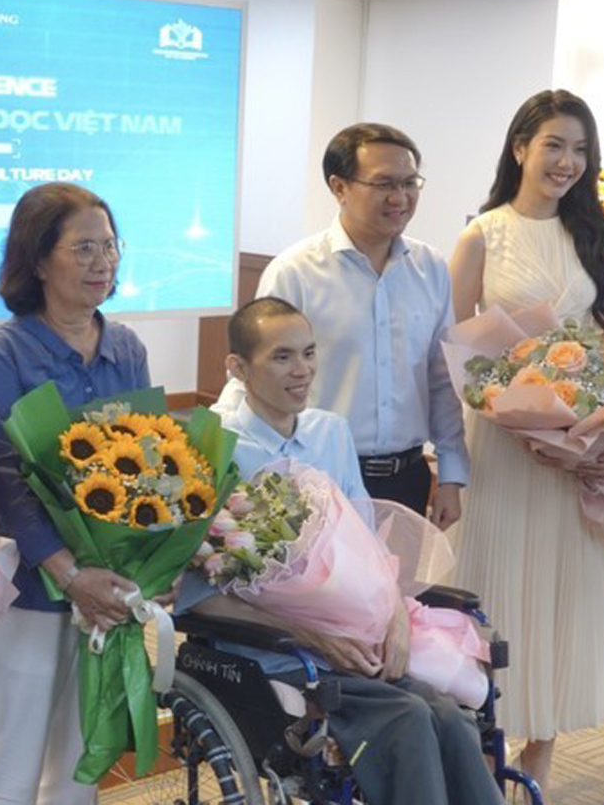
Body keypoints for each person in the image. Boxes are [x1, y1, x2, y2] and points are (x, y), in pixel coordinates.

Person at [178, 296, 504, 805]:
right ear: (237, 367)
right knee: (411, 716)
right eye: (282, 357)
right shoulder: (212, 449)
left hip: (355, 641)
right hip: (273, 650)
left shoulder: (331, 431)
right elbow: (194, 598)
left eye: (309, 353)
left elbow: (370, 551)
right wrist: (312, 635)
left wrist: (396, 617)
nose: (302, 370)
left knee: (449, 715)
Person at [447, 88, 604, 793]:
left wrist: (601, 418)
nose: (567, 162)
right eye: (554, 144)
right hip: (504, 448)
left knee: (563, 592)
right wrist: (512, 409)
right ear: (520, 146)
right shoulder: (481, 235)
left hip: (573, 450)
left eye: (580, 149)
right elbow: (457, 351)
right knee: (500, 589)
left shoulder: (592, 235)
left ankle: (541, 749)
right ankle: (486, 739)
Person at [0, 182, 149, 804]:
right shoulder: (1, 350)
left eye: (110, 246)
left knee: (80, 757)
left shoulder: (126, 346)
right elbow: (4, 478)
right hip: (31, 582)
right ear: (39, 261)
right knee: (14, 747)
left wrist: (134, 567)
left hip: (108, 587)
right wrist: (69, 573)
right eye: (84, 248)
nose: (103, 262)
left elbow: (151, 466)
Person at [213, 123, 468, 526]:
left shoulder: (430, 268)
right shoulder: (295, 271)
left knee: (394, 588)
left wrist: (451, 473)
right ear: (339, 187)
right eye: (383, 183)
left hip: (408, 478)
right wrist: (219, 451)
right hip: (316, 476)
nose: (400, 198)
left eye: (410, 183)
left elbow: (441, 379)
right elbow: (253, 371)